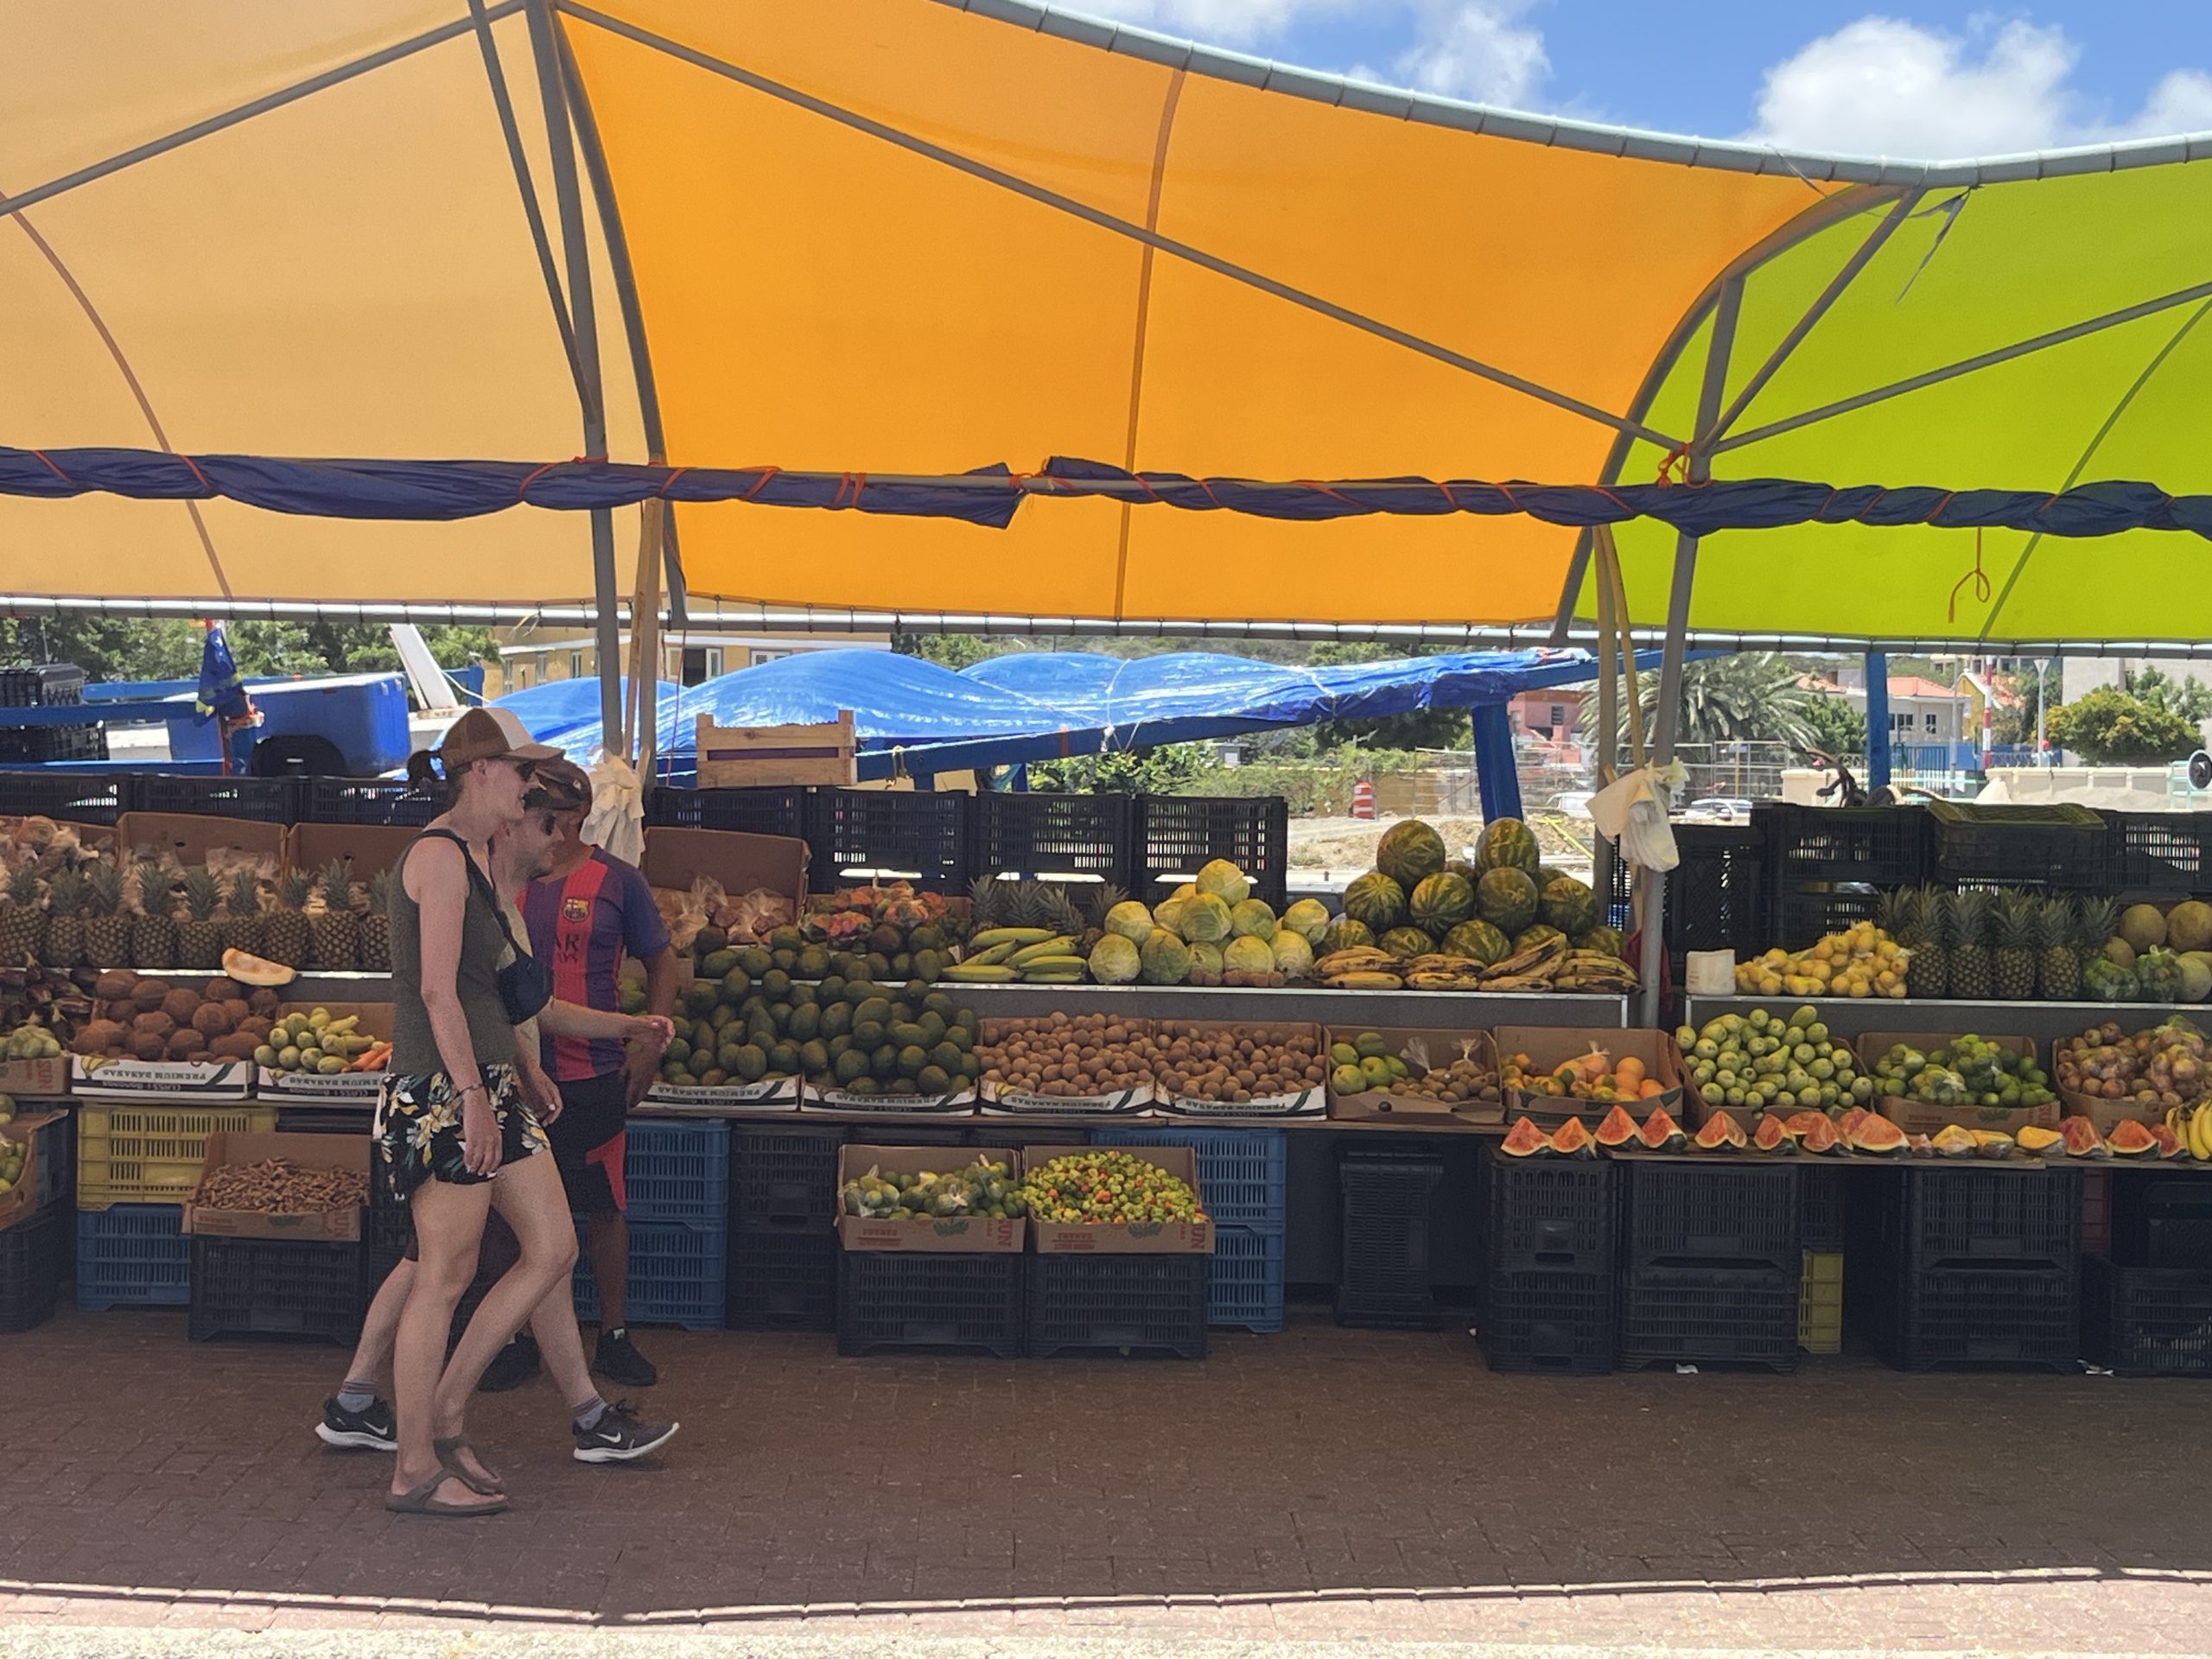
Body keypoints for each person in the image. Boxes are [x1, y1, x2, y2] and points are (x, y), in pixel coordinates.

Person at [318, 790, 679, 1471]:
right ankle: (416, 1436)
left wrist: (563, 1050)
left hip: (492, 1089)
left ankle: (569, 1413)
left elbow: (508, 1005)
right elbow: (438, 994)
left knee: (539, 1254)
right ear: (509, 823)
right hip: (450, 1092)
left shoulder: (498, 903)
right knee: (443, 1269)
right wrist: (474, 1095)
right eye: (551, 825)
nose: (561, 842)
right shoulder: (446, 866)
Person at [478, 758, 678, 1392]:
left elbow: (662, 962)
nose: (545, 826)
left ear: (578, 816)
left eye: (554, 815)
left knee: (601, 1206)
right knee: (502, 1212)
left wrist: (651, 1044)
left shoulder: (619, 881)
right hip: (514, 1070)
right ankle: (510, 1339)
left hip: (594, 1074)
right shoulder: (499, 876)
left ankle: (613, 1336)